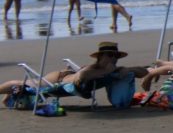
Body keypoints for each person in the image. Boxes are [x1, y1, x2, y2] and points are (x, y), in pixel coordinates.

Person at [0, 41, 146, 96]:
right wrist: (106, 71)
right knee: (27, 84)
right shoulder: (94, 68)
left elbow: (144, 72)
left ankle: (10, 95)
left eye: (116, 56)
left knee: (27, 85)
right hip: (58, 79)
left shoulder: (114, 69)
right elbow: (81, 77)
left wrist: (129, 69)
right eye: (110, 55)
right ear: (100, 57)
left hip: (67, 77)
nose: (113, 58)